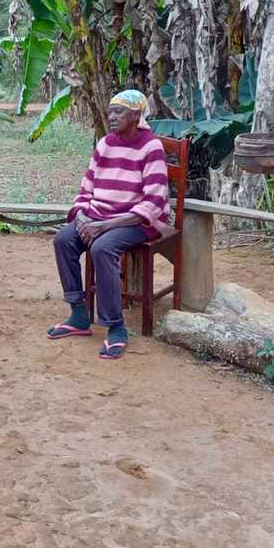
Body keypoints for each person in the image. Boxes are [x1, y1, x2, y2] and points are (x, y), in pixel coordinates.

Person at [46, 90, 171, 359]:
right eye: (111, 111)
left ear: (136, 116)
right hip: (97, 217)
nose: (111, 116)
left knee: (102, 248)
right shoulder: (105, 144)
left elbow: (154, 202)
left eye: (119, 112)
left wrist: (104, 227)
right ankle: (79, 315)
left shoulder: (151, 147)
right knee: (64, 240)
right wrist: (80, 216)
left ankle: (116, 327)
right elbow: (86, 188)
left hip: (137, 221)